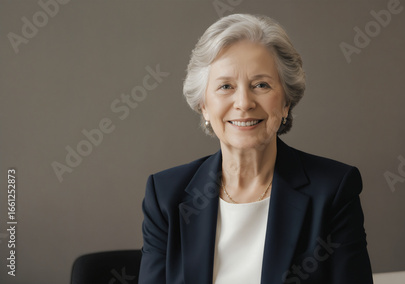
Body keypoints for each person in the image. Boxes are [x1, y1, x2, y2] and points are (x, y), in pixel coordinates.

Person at [138, 14, 373, 284]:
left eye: (260, 85)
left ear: (286, 102)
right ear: (204, 105)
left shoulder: (333, 191)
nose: (244, 102)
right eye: (226, 86)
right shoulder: (166, 195)